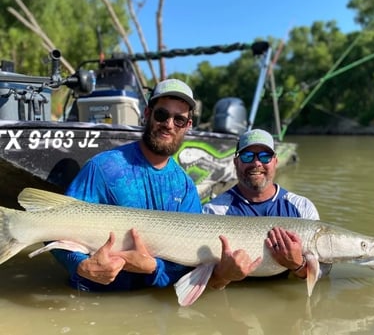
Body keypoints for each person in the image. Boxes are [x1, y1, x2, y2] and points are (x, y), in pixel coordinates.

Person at [50, 78, 255, 292]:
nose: (169, 124)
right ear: (147, 114)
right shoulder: (102, 167)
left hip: (150, 305)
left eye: (179, 120)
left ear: (188, 126)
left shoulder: (185, 188)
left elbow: (187, 265)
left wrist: (153, 267)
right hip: (92, 299)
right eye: (162, 115)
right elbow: (51, 228)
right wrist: (81, 265)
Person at [203, 129, 331, 285]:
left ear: (275, 161)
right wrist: (222, 276)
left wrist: (299, 266)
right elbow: (204, 276)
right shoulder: (214, 210)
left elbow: (324, 270)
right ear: (236, 162)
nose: (257, 163)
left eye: (265, 156)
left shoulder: (302, 208)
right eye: (247, 156)